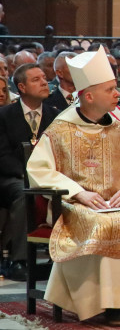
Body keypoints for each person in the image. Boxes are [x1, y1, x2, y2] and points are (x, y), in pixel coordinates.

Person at [27, 46, 120, 326]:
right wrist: (79, 192)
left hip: (119, 203)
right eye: (111, 89)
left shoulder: (118, 130)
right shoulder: (60, 129)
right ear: (88, 96)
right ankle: (108, 304)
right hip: (75, 205)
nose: (118, 94)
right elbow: (38, 169)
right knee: (104, 227)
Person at [0, 63, 63, 280]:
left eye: (45, 78)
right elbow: (2, 155)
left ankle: (61, 256)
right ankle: (19, 260)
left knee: (67, 191)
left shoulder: (56, 116)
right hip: (11, 178)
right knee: (23, 193)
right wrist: (29, 175)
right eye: (36, 79)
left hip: (48, 176)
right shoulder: (5, 115)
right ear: (22, 87)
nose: (45, 82)